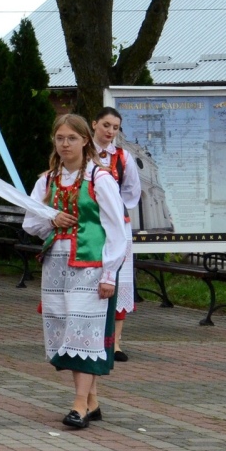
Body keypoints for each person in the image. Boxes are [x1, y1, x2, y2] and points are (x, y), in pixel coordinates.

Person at [23, 114, 126, 429]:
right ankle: (91, 401)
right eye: (59, 138)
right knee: (68, 331)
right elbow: (30, 223)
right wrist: (52, 219)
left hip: (91, 267)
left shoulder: (100, 179)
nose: (65, 144)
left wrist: (110, 275)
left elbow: (116, 230)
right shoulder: (48, 180)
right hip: (57, 265)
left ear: (85, 140)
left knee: (83, 331)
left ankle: (79, 405)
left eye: (71, 138)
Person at [92, 107, 140, 361]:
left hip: (117, 224)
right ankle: (91, 336)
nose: (110, 132)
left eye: (115, 127)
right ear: (94, 124)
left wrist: (114, 207)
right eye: (106, 125)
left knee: (119, 280)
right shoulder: (83, 153)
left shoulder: (123, 157)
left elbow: (132, 191)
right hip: (89, 223)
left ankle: (116, 342)